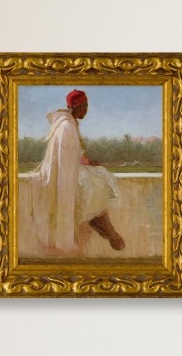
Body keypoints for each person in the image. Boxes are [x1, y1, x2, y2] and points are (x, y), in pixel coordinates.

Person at [33, 88, 126, 252]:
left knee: (98, 182)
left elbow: (71, 155)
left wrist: (88, 162)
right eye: (86, 105)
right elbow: (68, 160)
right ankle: (110, 233)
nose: (87, 109)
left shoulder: (68, 124)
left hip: (70, 172)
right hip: (65, 177)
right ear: (78, 106)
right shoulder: (66, 127)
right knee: (96, 186)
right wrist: (87, 162)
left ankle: (109, 232)